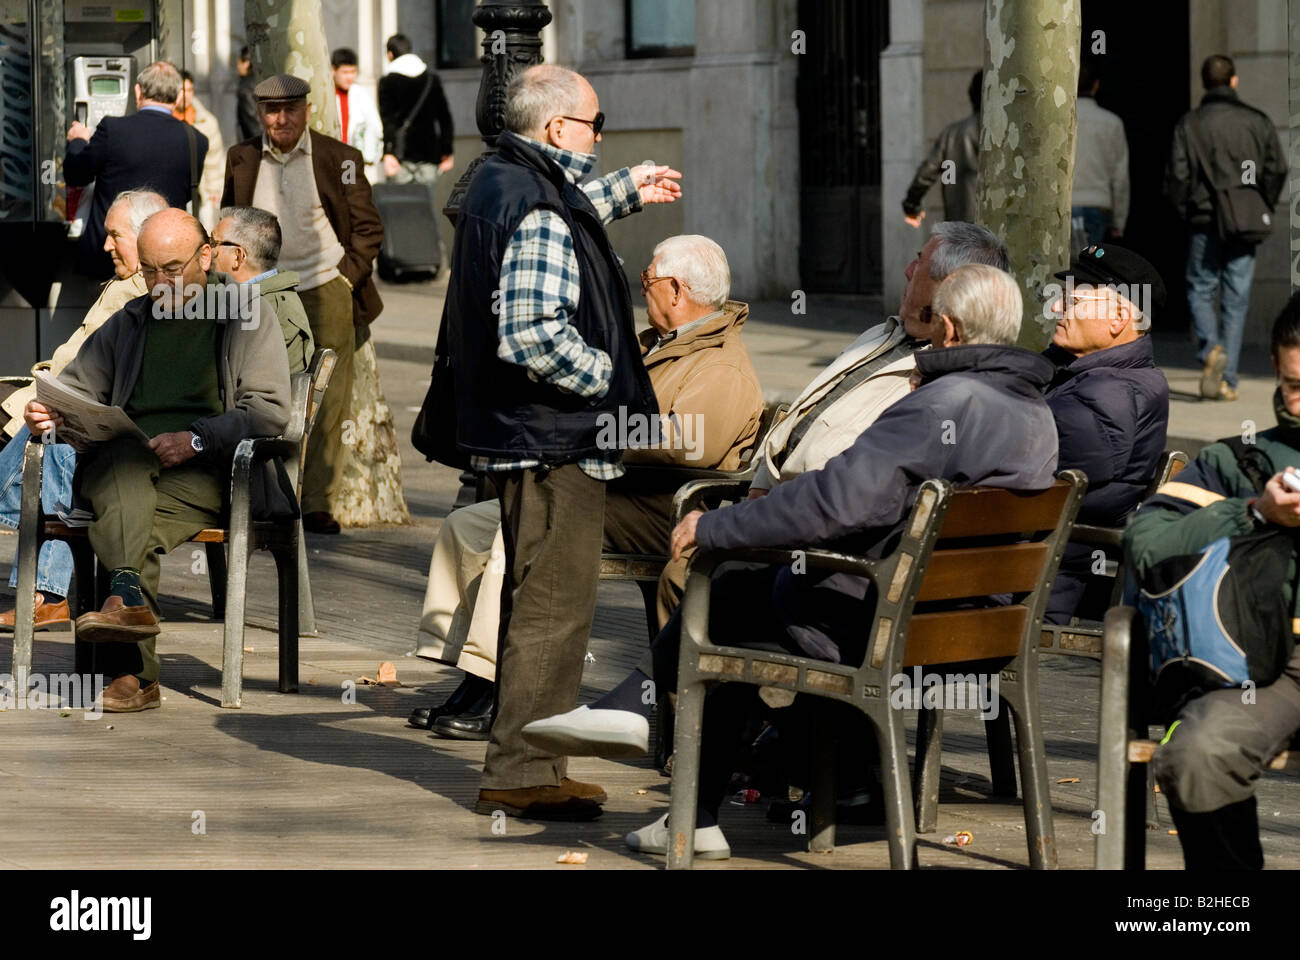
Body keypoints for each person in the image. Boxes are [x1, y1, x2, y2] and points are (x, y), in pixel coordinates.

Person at [521, 263, 1060, 859]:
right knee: (739, 608)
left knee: (726, 589)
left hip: (887, 627)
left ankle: (643, 712)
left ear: (951, 329)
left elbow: (836, 500)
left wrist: (718, 525)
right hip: (975, 628)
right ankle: (681, 791)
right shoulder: (1036, 414)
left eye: (934, 327)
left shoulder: (942, 405)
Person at [430, 63, 682, 821]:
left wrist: (625, 190)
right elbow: (534, 334)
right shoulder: (535, 201)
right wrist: (608, 376)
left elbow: (556, 219)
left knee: (536, 603)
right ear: (559, 129)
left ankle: (528, 762)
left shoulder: (502, 181)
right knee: (551, 610)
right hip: (554, 443)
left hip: (524, 438)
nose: (600, 141)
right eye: (596, 126)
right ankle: (522, 772)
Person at [409, 236, 764, 740]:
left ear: (678, 291)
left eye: (648, 281)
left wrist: (594, 431)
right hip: (615, 492)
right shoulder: (660, 343)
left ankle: (498, 689)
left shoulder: (720, 363)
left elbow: (689, 441)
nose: (644, 291)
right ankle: (470, 673)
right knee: (468, 525)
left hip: (657, 507)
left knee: (524, 528)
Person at [23, 209, 291, 713]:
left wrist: (196, 438)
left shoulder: (243, 313)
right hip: (126, 468)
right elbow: (79, 386)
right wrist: (51, 411)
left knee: (124, 516)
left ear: (207, 256)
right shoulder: (131, 319)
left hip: (209, 474)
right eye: (149, 270)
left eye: (172, 268)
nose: (160, 282)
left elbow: (268, 410)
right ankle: (129, 611)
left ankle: (131, 672)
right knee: (123, 464)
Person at [1126, 294, 1300, 869]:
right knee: (1196, 752)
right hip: (1275, 670)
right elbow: (1146, 545)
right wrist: (1252, 514)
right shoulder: (1238, 463)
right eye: (1296, 385)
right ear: (1276, 371)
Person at [222, 74, 385, 536]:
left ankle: (316, 503)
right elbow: (229, 225)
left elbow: (368, 228)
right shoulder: (242, 157)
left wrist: (347, 279)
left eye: (291, 109)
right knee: (255, 390)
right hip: (263, 289)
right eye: (272, 111)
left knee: (328, 397)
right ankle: (264, 495)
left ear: (307, 110)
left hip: (325, 285)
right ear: (260, 114)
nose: (282, 119)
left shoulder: (341, 159)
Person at [0, 189, 168, 632]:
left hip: (106, 430)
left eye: (115, 235)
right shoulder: (125, 288)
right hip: (63, 399)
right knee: (51, 431)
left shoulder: (150, 297)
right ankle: (44, 592)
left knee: (56, 441)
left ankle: (44, 593)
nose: (105, 245)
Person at [751, 222, 1008, 500]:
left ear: (948, 286)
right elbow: (802, 413)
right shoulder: (880, 334)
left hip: (810, 511)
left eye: (919, 262)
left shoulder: (942, 377)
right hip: (779, 501)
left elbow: (853, 492)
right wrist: (759, 486)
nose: (908, 270)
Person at [1041, 244, 1170, 624]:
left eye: (1074, 301)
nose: (1056, 309)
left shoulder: (1111, 393)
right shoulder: (1072, 370)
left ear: (1118, 318)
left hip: (1032, 588)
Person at [1164, 54, 1286, 403]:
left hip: (1204, 220)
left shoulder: (1190, 123)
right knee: (1236, 298)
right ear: (1233, 81)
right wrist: (1259, 202)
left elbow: (1178, 176)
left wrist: (1187, 210)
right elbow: (1277, 168)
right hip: (1244, 223)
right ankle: (1228, 379)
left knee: (1200, 289)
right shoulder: (1257, 121)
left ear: (1204, 83)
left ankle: (1210, 350)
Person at [64, 61, 207, 280]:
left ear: (138, 91)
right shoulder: (196, 139)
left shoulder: (113, 129)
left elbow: (76, 174)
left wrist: (78, 141)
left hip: (110, 256)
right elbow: (187, 193)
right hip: (164, 259)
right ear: (179, 97)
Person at [210, 206, 315, 375]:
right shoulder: (253, 298)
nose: (207, 250)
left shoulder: (263, 311)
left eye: (213, 242)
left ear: (238, 257)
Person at [902, 70, 981, 227]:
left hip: (960, 227)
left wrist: (912, 206)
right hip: (996, 228)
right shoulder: (1005, 133)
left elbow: (926, 173)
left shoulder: (952, 134)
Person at [378, 34, 454, 189]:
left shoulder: (387, 81)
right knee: (424, 207)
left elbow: (388, 120)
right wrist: (447, 150)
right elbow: (444, 117)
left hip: (400, 156)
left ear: (390, 54)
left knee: (400, 206)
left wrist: (388, 152)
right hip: (429, 155)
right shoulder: (432, 79)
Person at [1071, 58, 1129, 250]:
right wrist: (1118, 222)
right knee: (1090, 271)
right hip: (1098, 204)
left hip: (1066, 205)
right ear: (1096, 85)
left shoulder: (1058, 121)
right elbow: (1120, 177)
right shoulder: (1112, 122)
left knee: (1062, 270)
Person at [175, 71, 226, 231]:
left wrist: (214, 189)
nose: (186, 95)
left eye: (189, 90)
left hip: (199, 190)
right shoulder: (166, 120)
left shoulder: (207, 121)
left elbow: (214, 159)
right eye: (181, 90)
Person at [332, 48, 384, 184]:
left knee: (349, 196)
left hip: (351, 159)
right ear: (333, 70)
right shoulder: (326, 94)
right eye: (345, 72)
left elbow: (375, 126)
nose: (349, 77)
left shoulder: (361, 95)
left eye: (353, 72)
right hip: (329, 157)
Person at [235, 47, 260, 143]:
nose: (238, 67)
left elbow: (252, 119)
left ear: (246, 63)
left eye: (239, 63)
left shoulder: (245, 88)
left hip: (253, 143)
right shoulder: (258, 80)